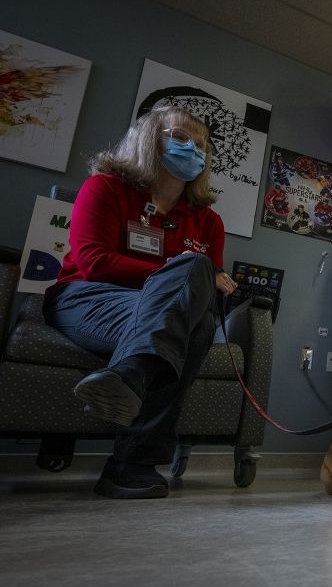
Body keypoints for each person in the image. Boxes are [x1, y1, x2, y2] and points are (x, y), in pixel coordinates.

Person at [43, 106, 238, 499]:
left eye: (200, 145)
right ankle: (133, 462)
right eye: (179, 138)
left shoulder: (209, 222)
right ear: (149, 139)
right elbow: (93, 261)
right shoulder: (105, 188)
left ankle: (130, 375)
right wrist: (177, 272)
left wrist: (208, 281)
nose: (192, 150)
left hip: (163, 310)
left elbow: (207, 285)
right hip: (89, 298)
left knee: (196, 315)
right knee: (190, 279)